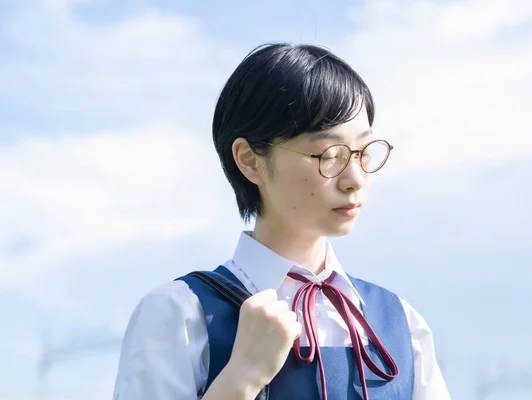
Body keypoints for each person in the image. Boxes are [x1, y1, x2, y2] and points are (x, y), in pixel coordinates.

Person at [112, 43, 451, 400]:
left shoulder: (401, 324)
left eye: (364, 152)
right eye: (329, 154)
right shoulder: (179, 315)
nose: (355, 178)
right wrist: (240, 379)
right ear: (250, 160)